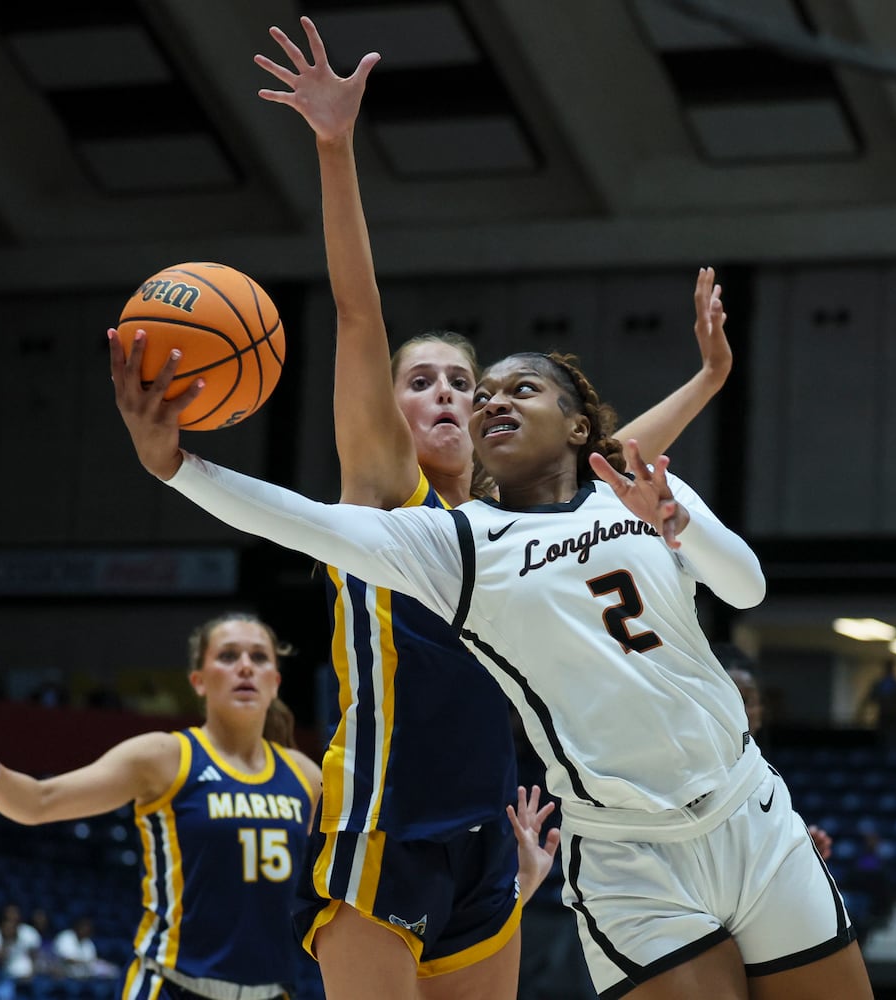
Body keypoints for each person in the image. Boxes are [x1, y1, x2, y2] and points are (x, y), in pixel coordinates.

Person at [112, 340, 872, 999]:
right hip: (628, 855)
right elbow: (302, 520)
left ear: (579, 425)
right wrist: (176, 467)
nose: (491, 401)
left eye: (520, 388)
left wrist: (677, 522)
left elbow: (748, 587)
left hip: (752, 815)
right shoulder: (460, 546)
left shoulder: (639, 493)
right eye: (485, 396)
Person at [247, 17, 735, 999]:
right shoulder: (386, 496)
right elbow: (355, 313)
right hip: (381, 830)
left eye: (456, 382)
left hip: (486, 840)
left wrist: (711, 375)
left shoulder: (517, 527)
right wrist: (336, 149)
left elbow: (615, 459)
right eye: (416, 380)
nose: (437, 393)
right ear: (388, 411)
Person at [0, 613, 324, 1000]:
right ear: (198, 680)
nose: (245, 666)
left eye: (259, 657)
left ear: (275, 681)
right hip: (170, 987)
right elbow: (42, 801)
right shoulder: (165, 756)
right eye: (227, 655)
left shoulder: (306, 776)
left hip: (274, 992)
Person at [725, 667, 832, 860]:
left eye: (746, 700)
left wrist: (798, 845)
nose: (737, 709)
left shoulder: (769, 777)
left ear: (761, 711)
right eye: (728, 698)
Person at [863, 661, 896, 753]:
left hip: (895, 718)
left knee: (894, 742)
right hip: (883, 717)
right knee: (882, 742)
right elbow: (870, 699)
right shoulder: (880, 684)